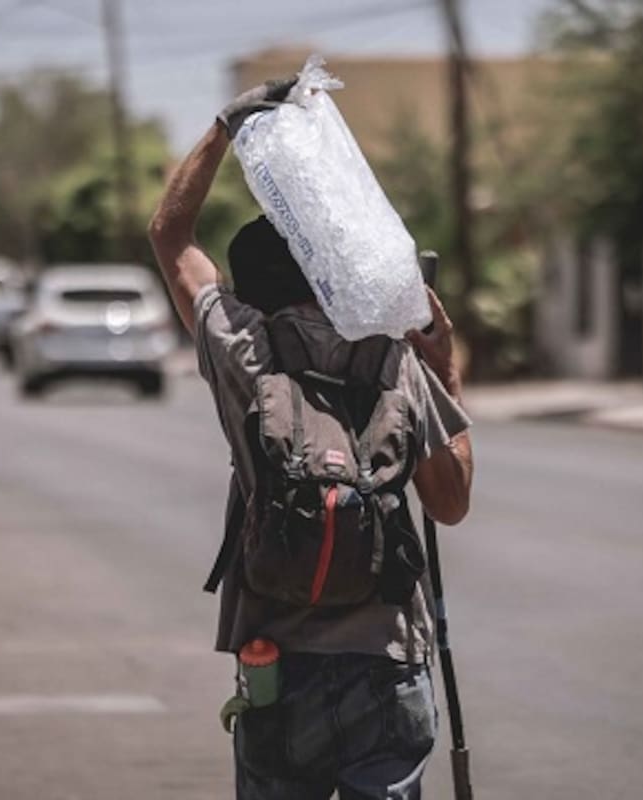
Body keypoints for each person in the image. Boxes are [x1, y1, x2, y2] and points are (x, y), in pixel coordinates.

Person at [148, 76, 475, 800]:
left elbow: (170, 237)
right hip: (388, 666)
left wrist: (226, 128)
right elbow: (449, 503)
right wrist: (443, 366)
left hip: (278, 666)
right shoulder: (395, 359)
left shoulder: (244, 352)